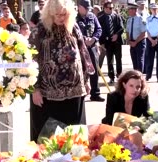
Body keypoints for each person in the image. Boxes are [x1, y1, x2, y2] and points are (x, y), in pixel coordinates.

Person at [29, 0, 94, 142]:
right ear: (49, 14)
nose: (61, 18)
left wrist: (87, 80)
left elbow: (83, 54)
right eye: (57, 15)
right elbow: (29, 61)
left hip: (75, 92)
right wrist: (35, 89)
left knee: (75, 136)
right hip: (47, 96)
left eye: (64, 14)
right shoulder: (39, 31)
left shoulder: (73, 27)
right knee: (48, 139)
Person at [77, 0, 104, 102]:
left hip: (92, 47)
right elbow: (72, 31)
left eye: (89, 9)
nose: (88, 10)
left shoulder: (92, 16)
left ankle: (95, 93)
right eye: (86, 8)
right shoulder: (74, 18)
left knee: (94, 71)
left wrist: (93, 39)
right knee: (80, 70)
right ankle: (81, 94)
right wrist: (84, 39)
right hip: (80, 47)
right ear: (80, 7)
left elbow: (99, 29)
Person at [98, 1, 124, 84]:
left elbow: (121, 28)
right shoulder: (101, 18)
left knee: (118, 59)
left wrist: (116, 35)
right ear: (105, 8)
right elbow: (99, 31)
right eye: (110, 8)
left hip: (117, 42)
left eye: (112, 8)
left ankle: (119, 76)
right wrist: (102, 43)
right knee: (110, 61)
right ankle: (111, 76)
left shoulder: (116, 16)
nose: (111, 9)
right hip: (108, 43)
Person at [144, 3, 158, 82]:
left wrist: (156, 40)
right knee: (149, 59)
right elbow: (147, 31)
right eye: (153, 9)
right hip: (150, 39)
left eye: (156, 8)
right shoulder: (148, 19)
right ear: (150, 10)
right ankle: (148, 75)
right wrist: (151, 40)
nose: (154, 10)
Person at [126, 2, 146, 72]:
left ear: (134, 10)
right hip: (132, 43)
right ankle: (136, 77)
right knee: (134, 60)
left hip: (139, 42)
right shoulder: (129, 20)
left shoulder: (140, 19)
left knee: (139, 60)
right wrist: (128, 40)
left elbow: (143, 33)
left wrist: (136, 42)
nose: (128, 11)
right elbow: (127, 31)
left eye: (129, 9)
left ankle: (140, 77)